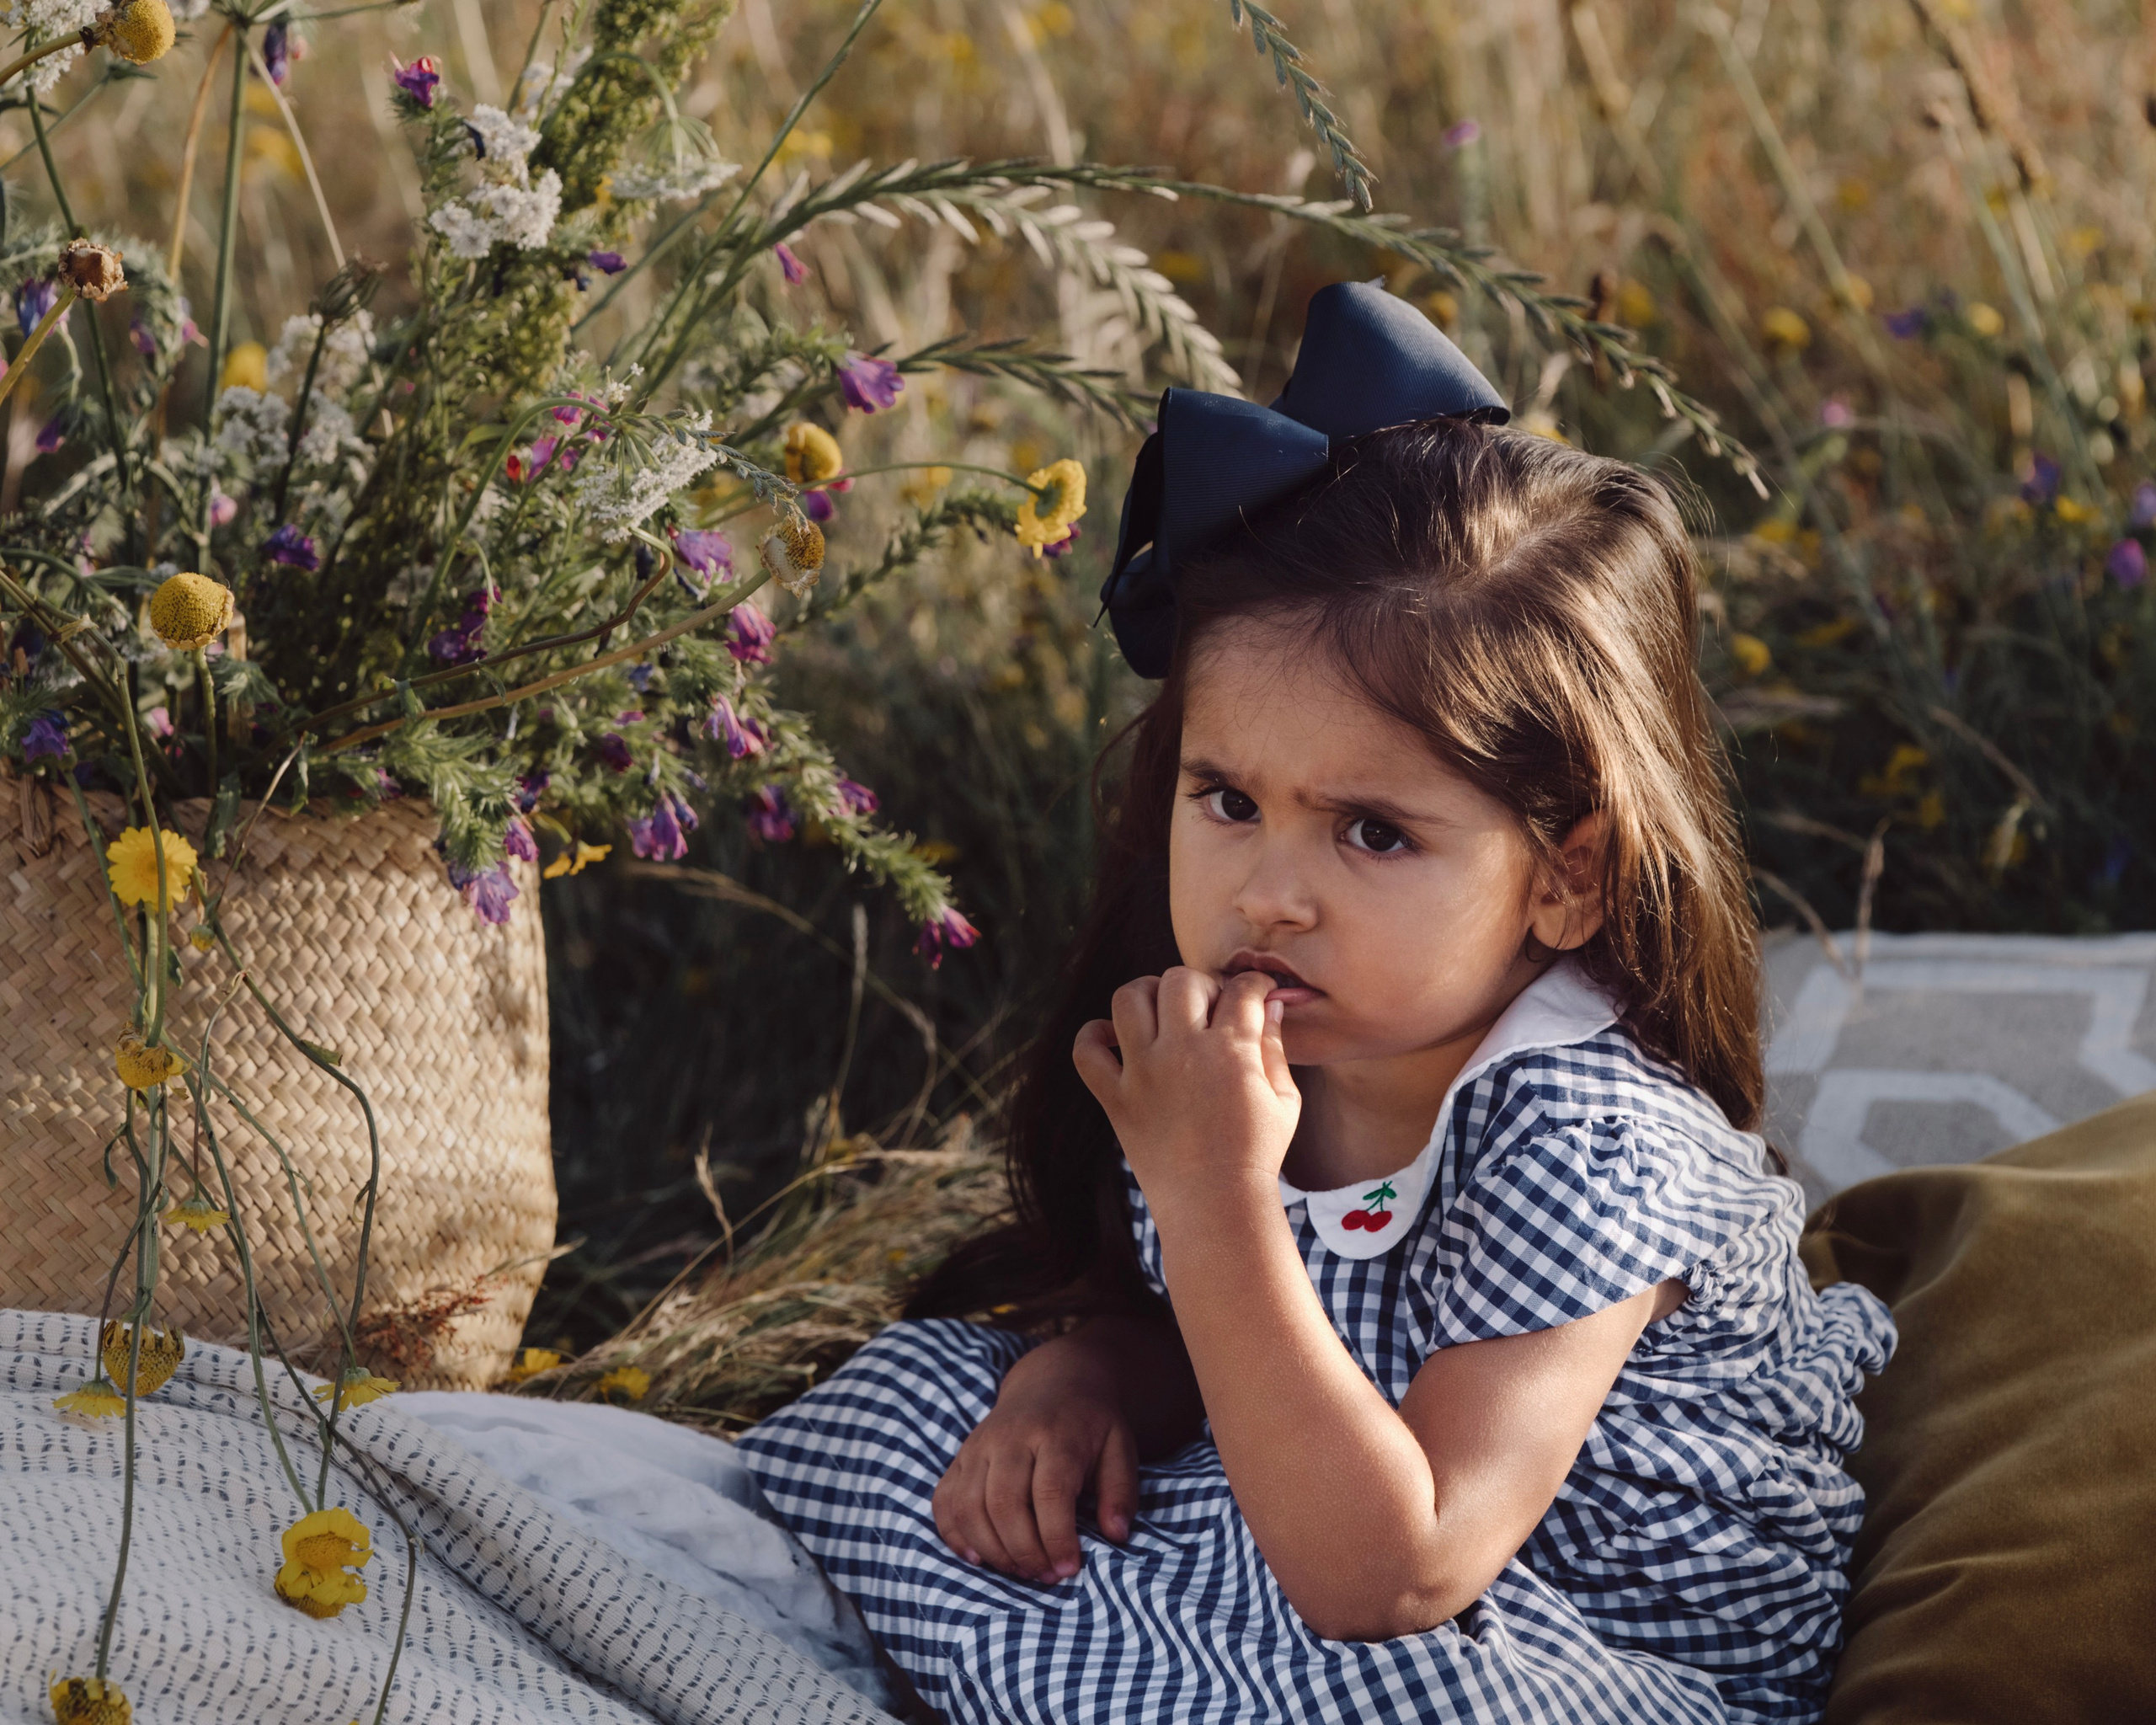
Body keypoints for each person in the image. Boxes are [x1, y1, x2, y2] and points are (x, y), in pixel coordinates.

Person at [734, 281, 1895, 1724]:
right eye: (1228, 801)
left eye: (1374, 834)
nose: (1271, 894)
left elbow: (1392, 1575)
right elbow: (1222, 1340)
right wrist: (1092, 1375)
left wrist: (1213, 1194)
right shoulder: (1268, 1039)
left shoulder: (1591, 1146)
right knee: (922, 1402)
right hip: (1327, 1516)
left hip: (1576, 1644)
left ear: (1568, 879)